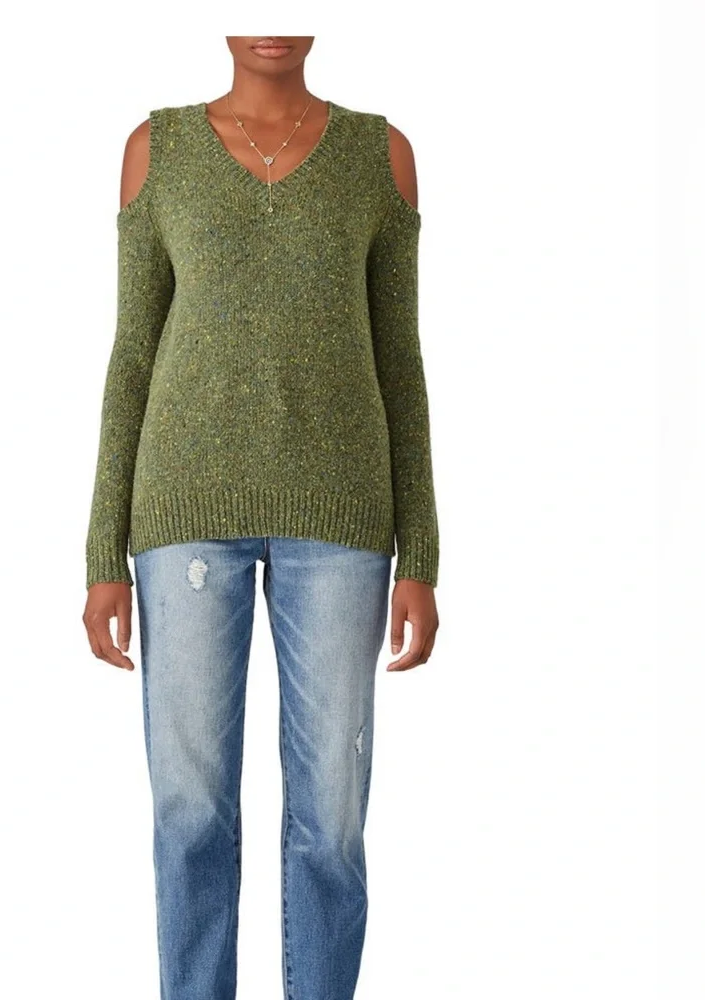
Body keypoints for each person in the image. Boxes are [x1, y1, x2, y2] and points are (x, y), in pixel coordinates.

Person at [82, 35, 440, 1000]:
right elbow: (132, 355)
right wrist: (103, 550)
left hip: (344, 515)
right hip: (183, 512)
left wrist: (422, 554)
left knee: (332, 820)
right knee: (191, 812)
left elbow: (400, 361)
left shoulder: (380, 156)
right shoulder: (157, 151)